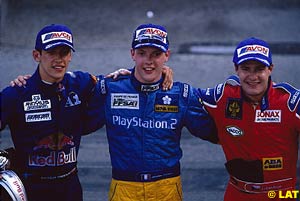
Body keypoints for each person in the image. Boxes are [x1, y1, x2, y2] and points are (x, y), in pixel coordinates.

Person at [96, 23, 218, 201]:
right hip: (124, 188)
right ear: (132, 54)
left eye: (156, 54)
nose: (149, 61)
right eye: (142, 53)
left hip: (166, 188)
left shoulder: (181, 94)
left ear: (167, 55)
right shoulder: (110, 89)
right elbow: (76, 117)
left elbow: (216, 134)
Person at [0, 24, 105, 201]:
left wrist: (162, 72)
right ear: (37, 55)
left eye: (64, 53)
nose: (59, 59)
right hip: (31, 189)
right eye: (51, 53)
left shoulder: (81, 83)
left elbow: (123, 81)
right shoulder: (16, 93)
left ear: (70, 56)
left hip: (70, 188)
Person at [199, 37, 300, 200]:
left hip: (281, 194)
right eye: (246, 68)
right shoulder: (224, 96)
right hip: (237, 193)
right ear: (236, 69)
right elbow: (184, 99)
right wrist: (162, 76)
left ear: (270, 69)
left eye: (259, 69)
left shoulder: (290, 102)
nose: (253, 77)